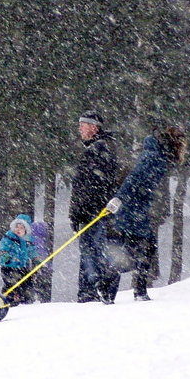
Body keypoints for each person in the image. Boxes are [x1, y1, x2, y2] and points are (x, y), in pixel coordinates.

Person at [105, 125, 188, 302]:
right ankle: (111, 288)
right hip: (133, 208)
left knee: (142, 249)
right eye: (181, 142)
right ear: (174, 142)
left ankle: (122, 290)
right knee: (139, 249)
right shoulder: (155, 156)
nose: (183, 147)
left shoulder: (159, 155)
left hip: (138, 207)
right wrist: (119, 199)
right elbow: (134, 178)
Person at [69, 110, 118, 303]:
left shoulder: (99, 149)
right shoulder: (96, 148)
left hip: (94, 213)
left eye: (83, 125)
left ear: (93, 127)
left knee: (93, 251)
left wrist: (79, 212)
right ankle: (89, 292)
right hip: (91, 211)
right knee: (91, 251)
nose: (80, 129)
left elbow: (90, 186)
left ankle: (95, 290)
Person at [0, 216, 35, 304]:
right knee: (11, 284)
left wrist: (36, 260)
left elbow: (32, 252)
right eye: (17, 227)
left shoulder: (27, 240)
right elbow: (3, 247)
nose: (18, 229)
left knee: (26, 283)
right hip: (9, 266)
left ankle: (26, 300)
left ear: (26, 230)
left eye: (22, 228)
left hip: (22, 267)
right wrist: (5, 254)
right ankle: (7, 300)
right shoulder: (9, 237)